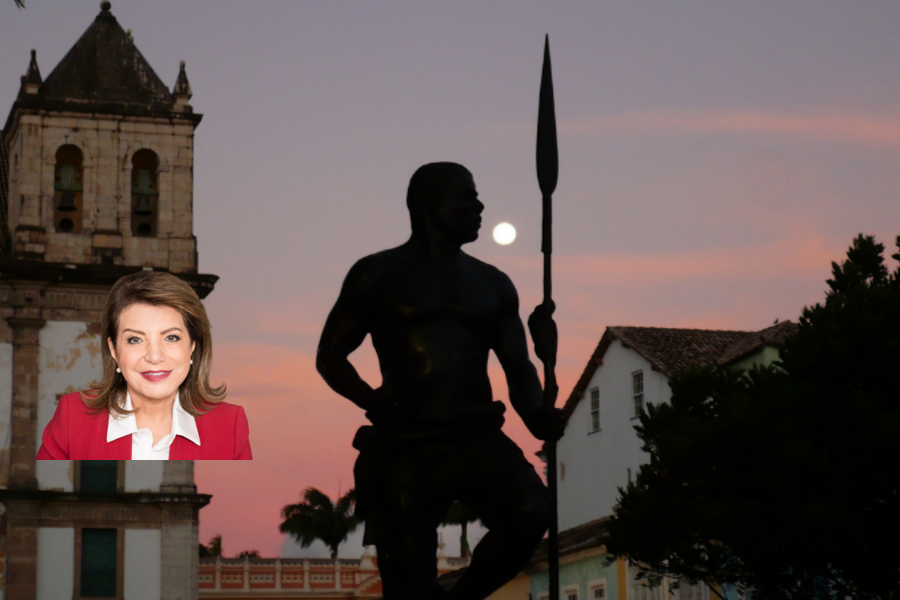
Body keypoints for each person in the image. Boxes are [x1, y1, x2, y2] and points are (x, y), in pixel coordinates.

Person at [317, 162, 564, 600]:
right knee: (410, 583)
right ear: (429, 203)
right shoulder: (377, 274)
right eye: (467, 196)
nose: (480, 206)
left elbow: (518, 367)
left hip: (478, 436)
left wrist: (538, 417)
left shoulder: (493, 284)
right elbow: (331, 357)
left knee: (531, 512)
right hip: (407, 441)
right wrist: (370, 399)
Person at [36, 270, 251, 460]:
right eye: (135, 339)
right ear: (113, 350)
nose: (154, 356)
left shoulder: (230, 425)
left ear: (193, 344)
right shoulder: (72, 417)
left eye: (171, 337)